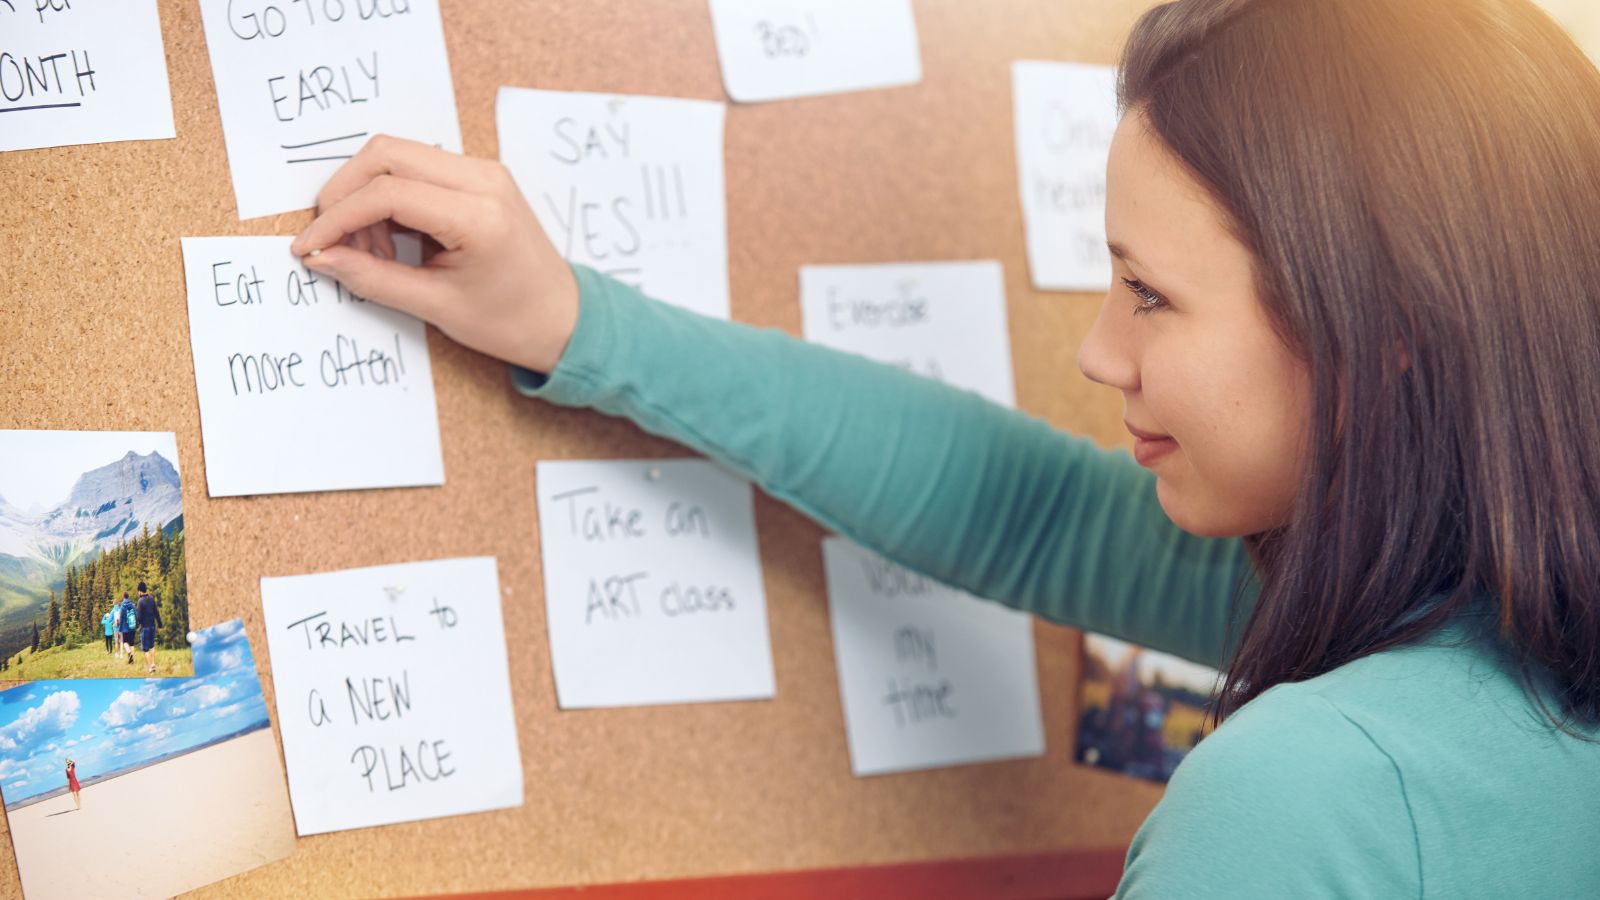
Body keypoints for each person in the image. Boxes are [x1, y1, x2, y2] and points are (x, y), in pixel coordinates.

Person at [288, 0, 1600, 894]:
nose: (1099, 350)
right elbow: (1009, 507)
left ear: (1383, 339)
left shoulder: (1303, 798)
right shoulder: (1500, 622)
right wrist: (573, 320)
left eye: (1148, 293)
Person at [134, 582, 162, 674]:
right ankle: (153, 664)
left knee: (145, 649)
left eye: (138, 591)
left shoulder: (140, 601)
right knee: (152, 646)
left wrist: (137, 625)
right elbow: (156, 613)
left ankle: (150, 667)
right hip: (152, 627)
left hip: (145, 628)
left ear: (140, 591)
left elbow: (139, 617)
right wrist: (160, 624)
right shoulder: (151, 599)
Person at [118, 592, 137, 666]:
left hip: (125, 628)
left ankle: (129, 653)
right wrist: (137, 625)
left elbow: (121, 618)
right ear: (128, 597)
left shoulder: (122, 606)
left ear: (123, 597)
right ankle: (132, 660)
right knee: (132, 643)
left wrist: (120, 628)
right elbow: (135, 615)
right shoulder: (132, 605)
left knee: (125, 642)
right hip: (132, 627)